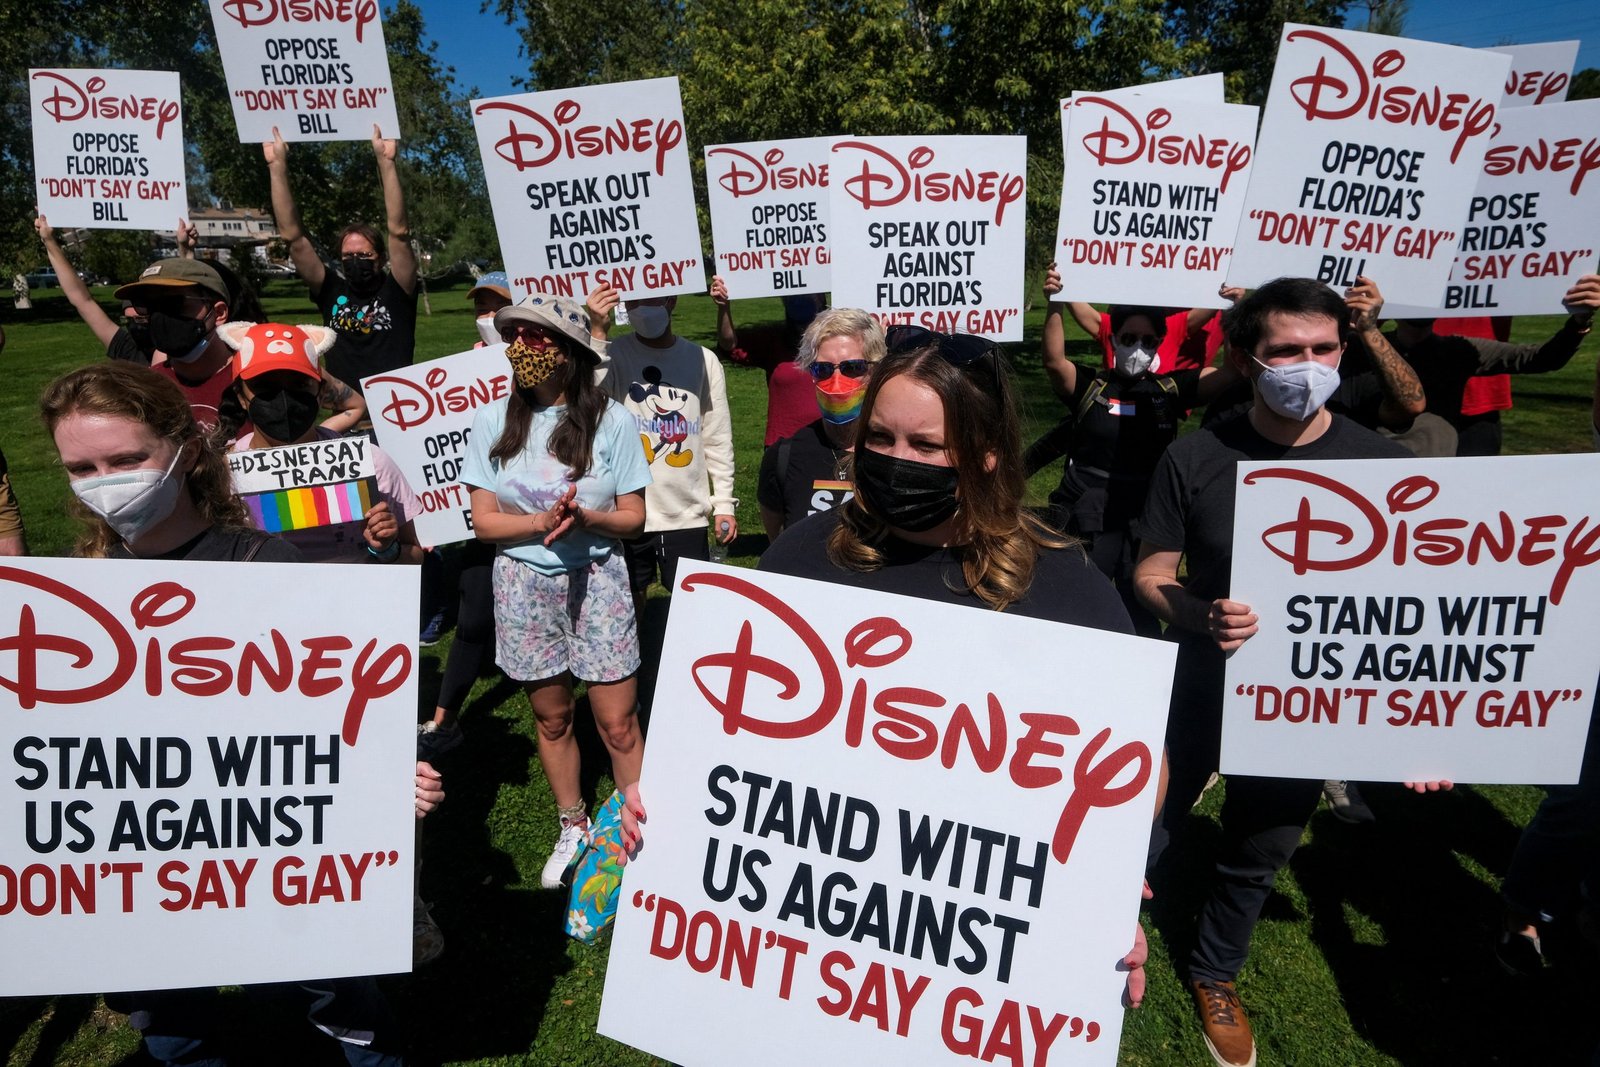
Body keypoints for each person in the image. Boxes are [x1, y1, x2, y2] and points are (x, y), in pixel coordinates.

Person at [40, 361, 442, 1065]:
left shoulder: (267, 563)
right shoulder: (72, 602)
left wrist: (383, 778)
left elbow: (332, 716)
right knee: (173, 1027)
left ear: (187, 448)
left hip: (283, 854)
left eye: (128, 458)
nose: (106, 480)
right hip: (149, 863)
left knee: (340, 1001)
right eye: (82, 467)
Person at [759, 324, 1152, 1004]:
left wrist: (1101, 898)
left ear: (987, 453)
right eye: (879, 439)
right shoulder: (800, 559)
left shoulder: (1063, 588)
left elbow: (1140, 760)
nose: (895, 458)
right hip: (809, 937)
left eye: (926, 445)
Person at [1131, 277, 1450, 1067]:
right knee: (1146, 822)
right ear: (1246, 357)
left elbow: (1420, 610)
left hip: (1303, 704)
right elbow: (1150, 570)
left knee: (1261, 844)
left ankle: (1215, 972)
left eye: (1321, 348)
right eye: (1285, 351)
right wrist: (1199, 611)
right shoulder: (1197, 453)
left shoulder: (1383, 462)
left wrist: (1435, 726)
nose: (1305, 365)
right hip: (1201, 680)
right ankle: (1101, 935)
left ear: (1343, 351)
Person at [460, 293, 652, 890]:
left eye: (539, 338)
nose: (525, 349)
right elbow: (484, 522)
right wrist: (539, 524)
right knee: (551, 717)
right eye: (516, 337)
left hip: (599, 579)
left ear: (570, 354)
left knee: (617, 722)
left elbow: (635, 516)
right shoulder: (495, 420)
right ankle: (572, 822)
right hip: (522, 585)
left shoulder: (613, 421)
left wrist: (589, 520)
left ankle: (639, 824)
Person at [1029, 270, 1245, 634]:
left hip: (1144, 520)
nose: (1138, 348)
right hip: (1087, 515)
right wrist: (1054, 302)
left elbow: (1231, 372)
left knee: (1139, 606)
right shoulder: (1091, 388)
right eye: (1129, 338)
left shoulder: (1169, 391)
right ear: (1113, 338)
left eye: (1148, 341)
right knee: (1081, 600)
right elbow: (1054, 361)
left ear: (1159, 344)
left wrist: (1237, 310)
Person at [219, 321, 419, 565]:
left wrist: (387, 549)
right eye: (265, 386)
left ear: (320, 391)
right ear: (241, 397)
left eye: (299, 384)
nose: (283, 398)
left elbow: (415, 556)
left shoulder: (372, 463)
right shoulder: (222, 475)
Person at [590, 287, 737, 612]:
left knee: (694, 606)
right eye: (635, 301)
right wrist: (597, 335)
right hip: (625, 509)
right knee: (626, 603)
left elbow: (716, 434)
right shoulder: (613, 354)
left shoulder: (703, 359)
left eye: (651, 299)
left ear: (671, 300)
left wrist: (724, 501)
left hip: (685, 510)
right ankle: (634, 660)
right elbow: (586, 400)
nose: (642, 308)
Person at [417, 273, 516, 752]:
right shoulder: (461, 372)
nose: (488, 317)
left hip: (532, 513)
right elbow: (430, 450)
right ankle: (444, 718)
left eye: (498, 306)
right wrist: (430, 514)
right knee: (474, 617)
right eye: (482, 307)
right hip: (479, 518)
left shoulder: (546, 364)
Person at [264, 125, 418, 398]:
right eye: (348, 256)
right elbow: (294, 238)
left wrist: (386, 163)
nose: (355, 260)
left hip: (397, 409)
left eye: (364, 255)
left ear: (380, 258)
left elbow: (399, 232)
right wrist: (277, 167)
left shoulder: (398, 290)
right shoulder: (331, 290)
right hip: (346, 413)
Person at [1381, 275, 1600, 455]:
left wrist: (1578, 323)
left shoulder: (1457, 349)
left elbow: (1542, 358)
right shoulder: (1370, 348)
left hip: (1473, 416)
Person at [756, 308, 885, 540]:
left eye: (853, 368)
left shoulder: (898, 456)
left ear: (875, 370)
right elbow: (778, 542)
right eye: (822, 370)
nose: (837, 382)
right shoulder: (783, 457)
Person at [710, 275, 825, 445]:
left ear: (821, 298)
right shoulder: (773, 341)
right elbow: (729, 344)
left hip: (828, 442)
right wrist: (724, 307)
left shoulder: (839, 340)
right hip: (784, 444)